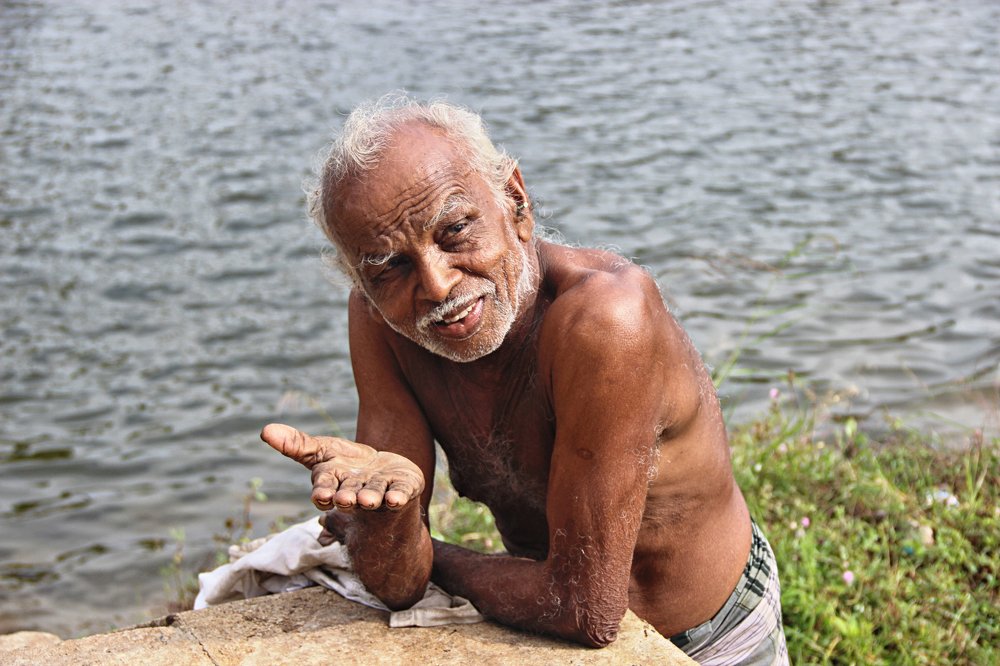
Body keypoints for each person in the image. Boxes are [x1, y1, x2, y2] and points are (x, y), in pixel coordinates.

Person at [261, 95, 788, 664]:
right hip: (542, 633)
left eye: (456, 230)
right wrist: (388, 521)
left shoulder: (604, 320)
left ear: (515, 201)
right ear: (360, 282)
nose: (437, 285)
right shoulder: (380, 320)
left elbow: (585, 608)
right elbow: (396, 582)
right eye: (390, 266)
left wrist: (430, 551)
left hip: (707, 637)